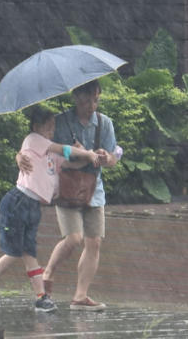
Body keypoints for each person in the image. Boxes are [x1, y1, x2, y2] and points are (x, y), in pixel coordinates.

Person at [0, 106, 99, 312]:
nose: (52, 132)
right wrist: (85, 153)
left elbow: (71, 162)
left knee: (29, 251)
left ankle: (41, 297)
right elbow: (64, 150)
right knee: (15, 252)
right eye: (48, 128)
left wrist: (84, 153)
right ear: (36, 127)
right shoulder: (33, 140)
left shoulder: (50, 152)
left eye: (53, 128)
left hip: (33, 206)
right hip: (18, 202)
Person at [16, 79, 119, 311]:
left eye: (95, 100)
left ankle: (80, 296)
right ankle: (49, 272)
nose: (91, 106)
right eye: (86, 101)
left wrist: (106, 157)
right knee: (74, 238)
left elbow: (114, 158)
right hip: (66, 186)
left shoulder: (104, 123)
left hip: (94, 187)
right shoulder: (60, 122)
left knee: (94, 242)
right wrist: (18, 156)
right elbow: (36, 146)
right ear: (75, 98)